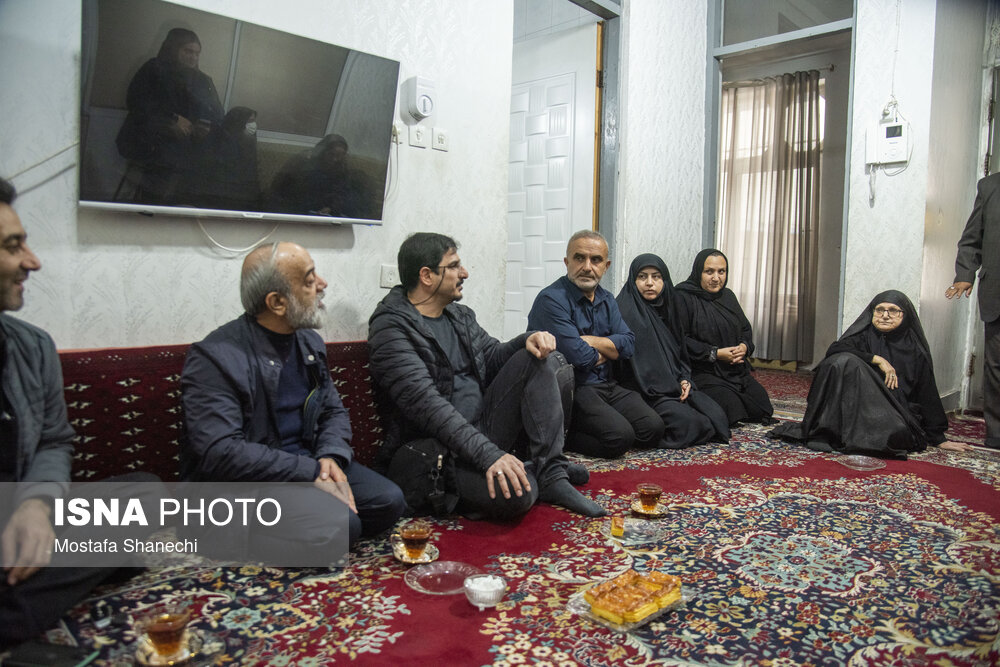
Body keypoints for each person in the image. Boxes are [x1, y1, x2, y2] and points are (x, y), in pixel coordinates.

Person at [0, 178, 158, 647]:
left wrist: (35, 504)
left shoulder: (32, 347)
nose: (33, 261)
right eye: (12, 246)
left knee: (146, 493)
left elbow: (53, 440)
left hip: (22, 513)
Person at [181, 241, 405, 558]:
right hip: (245, 484)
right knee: (345, 526)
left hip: (307, 463)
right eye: (309, 280)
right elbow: (220, 453)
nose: (323, 284)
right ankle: (222, 535)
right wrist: (309, 472)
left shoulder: (308, 342)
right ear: (277, 302)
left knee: (389, 501)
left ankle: (314, 529)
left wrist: (330, 458)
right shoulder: (215, 357)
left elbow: (333, 412)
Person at [368, 233, 605, 519]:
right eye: (454, 266)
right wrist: (489, 455)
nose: (464, 273)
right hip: (437, 449)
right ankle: (537, 469)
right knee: (519, 494)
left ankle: (552, 472)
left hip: (483, 428)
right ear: (427, 276)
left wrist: (527, 339)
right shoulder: (391, 328)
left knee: (536, 357)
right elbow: (429, 408)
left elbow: (492, 357)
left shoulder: (459, 315)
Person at [770, 290, 969, 457]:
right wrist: (877, 359)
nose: (885, 315)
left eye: (893, 310)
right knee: (841, 361)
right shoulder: (863, 336)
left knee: (896, 434)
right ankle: (826, 431)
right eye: (879, 310)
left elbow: (927, 393)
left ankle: (845, 436)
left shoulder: (915, 350)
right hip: (855, 409)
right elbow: (834, 350)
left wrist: (938, 438)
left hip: (892, 409)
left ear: (905, 314)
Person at [527, 231, 664, 458]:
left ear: (606, 266)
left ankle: (599, 426)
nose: (587, 267)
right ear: (567, 262)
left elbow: (629, 344)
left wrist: (590, 341)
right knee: (620, 438)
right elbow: (581, 358)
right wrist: (610, 350)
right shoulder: (551, 300)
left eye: (596, 260)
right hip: (574, 389)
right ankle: (561, 434)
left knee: (653, 428)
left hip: (607, 384)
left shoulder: (607, 298)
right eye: (579, 258)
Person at [615, 254, 730, 448]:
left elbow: (680, 352)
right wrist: (671, 386)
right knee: (690, 424)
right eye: (642, 277)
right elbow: (633, 368)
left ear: (665, 280)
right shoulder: (626, 311)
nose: (649, 283)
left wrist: (684, 379)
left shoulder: (669, 308)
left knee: (716, 415)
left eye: (656, 277)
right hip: (643, 390)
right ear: (633, 280)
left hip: (671, 384)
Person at [116, 28, 224, 204]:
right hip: (153, 142)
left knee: (210, 163)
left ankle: (181, 210)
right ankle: (151, 209)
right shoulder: (154, 69)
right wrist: (171, 119)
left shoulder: (203, 80)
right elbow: (136, 102)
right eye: (188, 51)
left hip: (190, 144)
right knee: (167, 162)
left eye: (197, 53)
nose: (193, 57)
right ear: (173, 48)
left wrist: (204, 126)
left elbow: (217, 113)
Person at [674, 249, 774, 426]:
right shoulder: (683, 297)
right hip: (702, 371)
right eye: (709, 272)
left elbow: (745, 328)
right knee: (732, 408)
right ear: (698, 272)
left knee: (762, 407)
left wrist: (744, 347)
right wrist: (715, 353)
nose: (716, 278)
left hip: (734, 370)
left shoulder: (727, 296)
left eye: (721, 271)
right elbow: (679, 339)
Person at [946, 172, 1000, 450]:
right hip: (997, 293)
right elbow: (971, 239)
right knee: (996, 366)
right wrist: (965, 274)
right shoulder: (990, 186)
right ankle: (997, 434)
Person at [268, 134, 373, 218]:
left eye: (339, 156)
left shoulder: (342, 170)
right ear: (322, 152)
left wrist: (331, 208)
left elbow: (342, 193)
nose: (335, 159)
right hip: (293, 213)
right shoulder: (303, 164)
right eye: (331, 154)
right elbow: (284, 189)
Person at [185, 106, 261, 211]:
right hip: (218, 199)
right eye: (249, 121)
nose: (253, 125)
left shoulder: (248, 143)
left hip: (241, 201)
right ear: (239, 122)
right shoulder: (217, 142)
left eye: (253, 121)